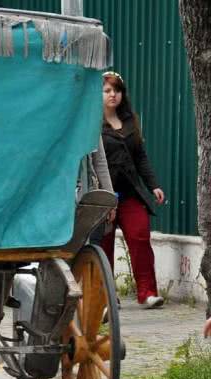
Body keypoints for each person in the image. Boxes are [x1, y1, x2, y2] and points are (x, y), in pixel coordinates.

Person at [100, 71, 166, 309]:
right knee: (103, 246)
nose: (112, 94)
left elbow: (141, 158)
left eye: (116, 90)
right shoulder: (92, 124)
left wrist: (154, 185)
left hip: (130, 195)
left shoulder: (130, 122)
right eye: (107, 90)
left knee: (140, 236)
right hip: (103, 196)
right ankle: (106, 299)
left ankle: (147, 293)